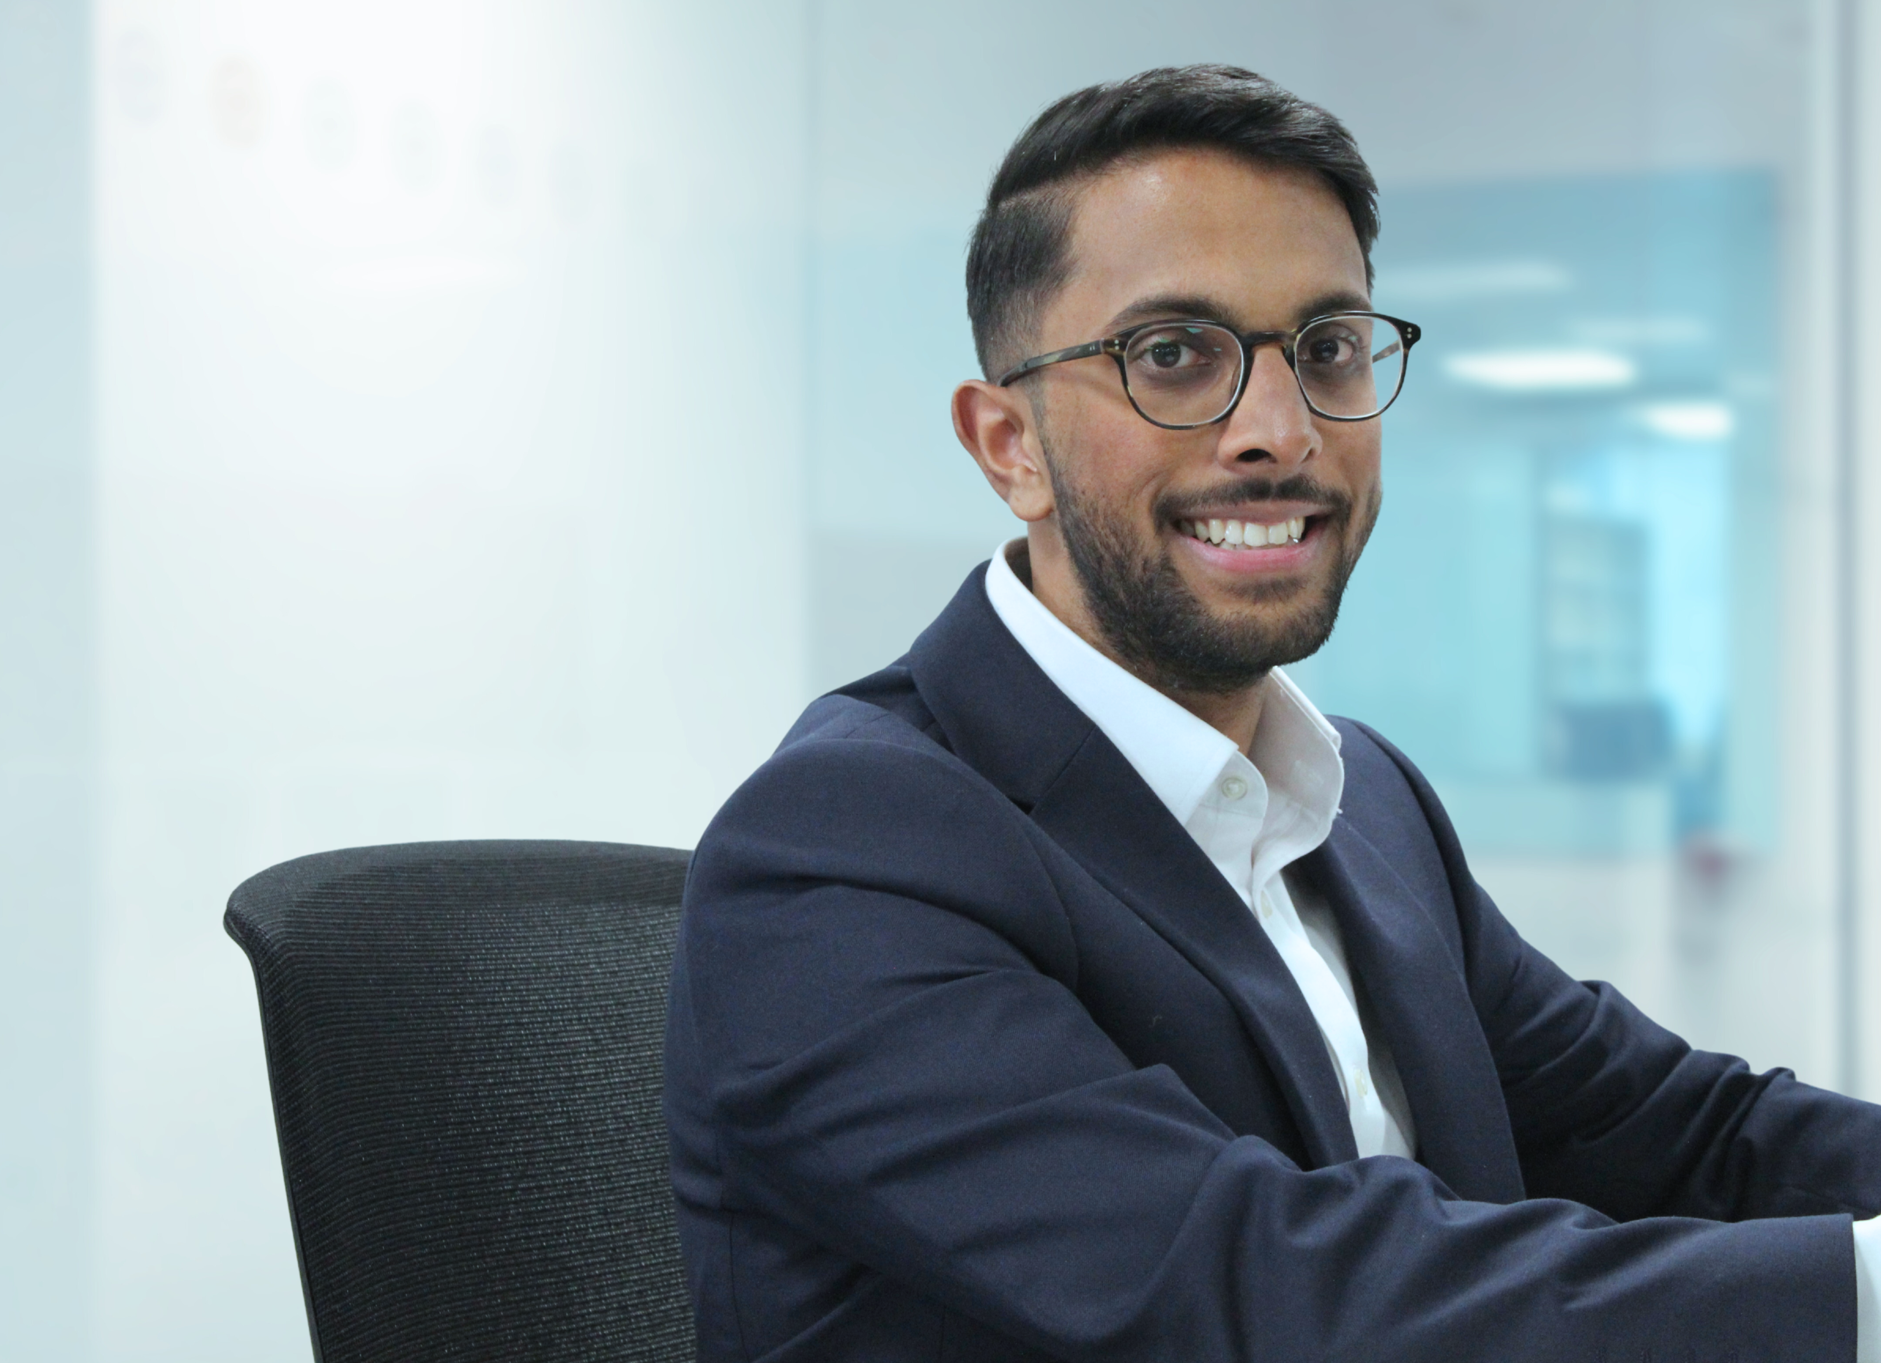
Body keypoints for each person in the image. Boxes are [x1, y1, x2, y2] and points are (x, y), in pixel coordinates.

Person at [662, 65, 1881, 1361]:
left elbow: (1687, 1135)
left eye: (1328, 348)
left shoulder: (1368, 805)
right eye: (1172, 356)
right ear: (1009, 446)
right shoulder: (841, 851)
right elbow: (1266, 1290)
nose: (1280, 431)